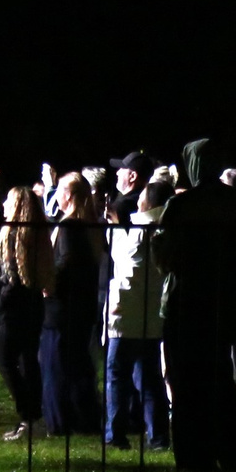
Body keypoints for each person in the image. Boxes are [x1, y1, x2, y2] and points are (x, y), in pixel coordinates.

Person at [150, 137, 236, 472]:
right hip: (225, 301)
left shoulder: (183, 205)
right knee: (220, 379)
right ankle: (232, 451)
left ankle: (193, 454)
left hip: (186, 302)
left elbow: (166, 256)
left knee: (186, 381)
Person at [105, 179, 171, 450]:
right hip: (150, 316)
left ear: (150, 201)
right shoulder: (162, 226)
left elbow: (127, 263)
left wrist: (114, 228)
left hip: (129, 314)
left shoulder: (145, 228)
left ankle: (115, 434)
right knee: (149, 377)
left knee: (117, 374)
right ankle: (158, 437)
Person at [40, 173, 103, 437]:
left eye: (61, 191)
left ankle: (60, 420)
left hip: (62, 308)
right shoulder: (90, 227)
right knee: (77, 363)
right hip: (81, 307)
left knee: (55, 363)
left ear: (69, 196)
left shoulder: (69, 227)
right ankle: (85, 418)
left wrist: (49, 283)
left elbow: (65, 262)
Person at [0, 185, 52, 441]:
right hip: (34, 298)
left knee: (6, 360)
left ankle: (28, 415)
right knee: (29, 359)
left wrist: (1, 299)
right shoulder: (38, 233)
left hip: (14, 299)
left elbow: (9, 272)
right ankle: (34, 419)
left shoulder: (11, 232)